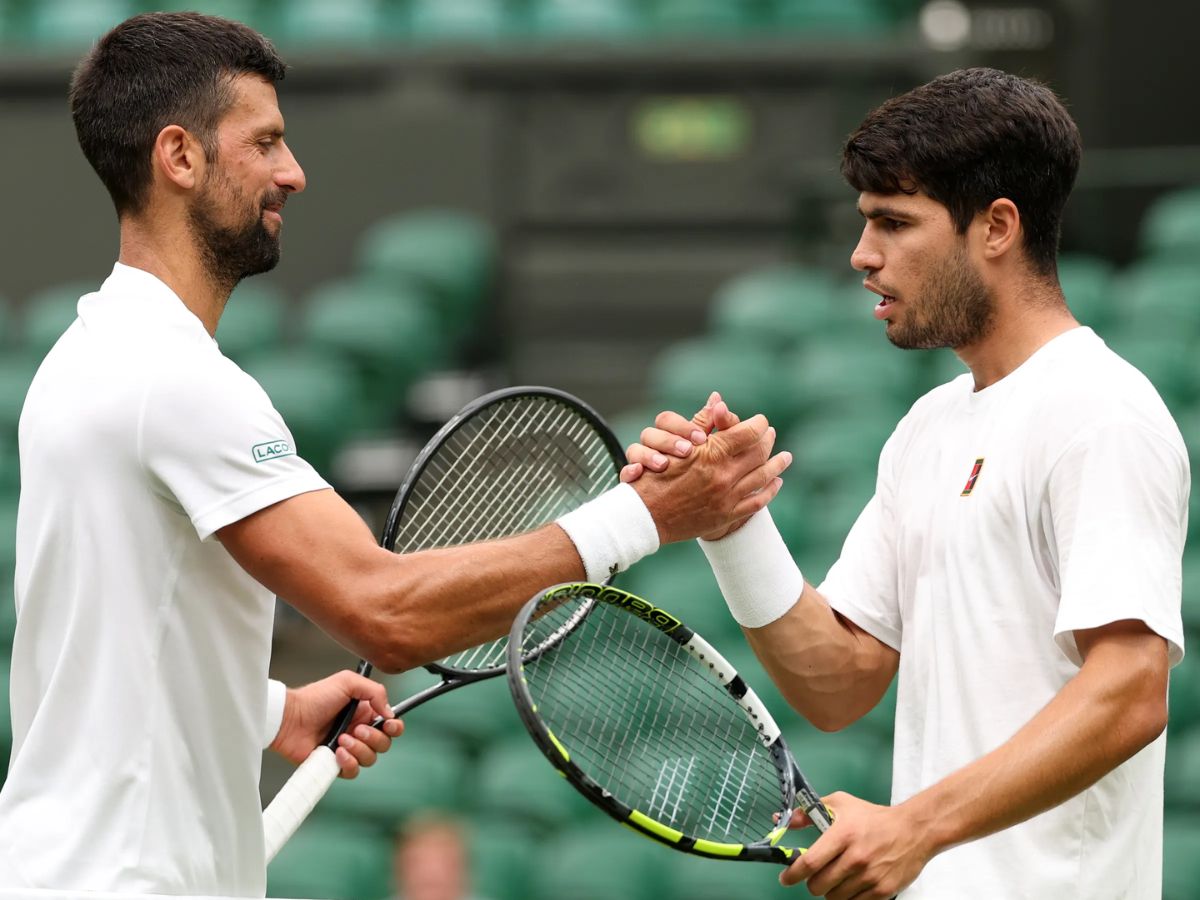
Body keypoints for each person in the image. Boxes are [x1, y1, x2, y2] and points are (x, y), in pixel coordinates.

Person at [0, 13, 791, 897]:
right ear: (179, 157)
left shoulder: (83, 357)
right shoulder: (172, 380)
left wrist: (274, 710)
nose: (292, 173)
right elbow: (389, 616)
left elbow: (101, 643)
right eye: (264, 143)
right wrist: (646, 515)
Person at [625, 68, 1188, 899]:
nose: (863, 255)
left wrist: (916, 825)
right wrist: (730, 520)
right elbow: (839, 683)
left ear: (996, 227)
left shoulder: (1101, 412)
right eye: (865, 223)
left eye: (894, 223)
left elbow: (1132, 692)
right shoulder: (926, 429)